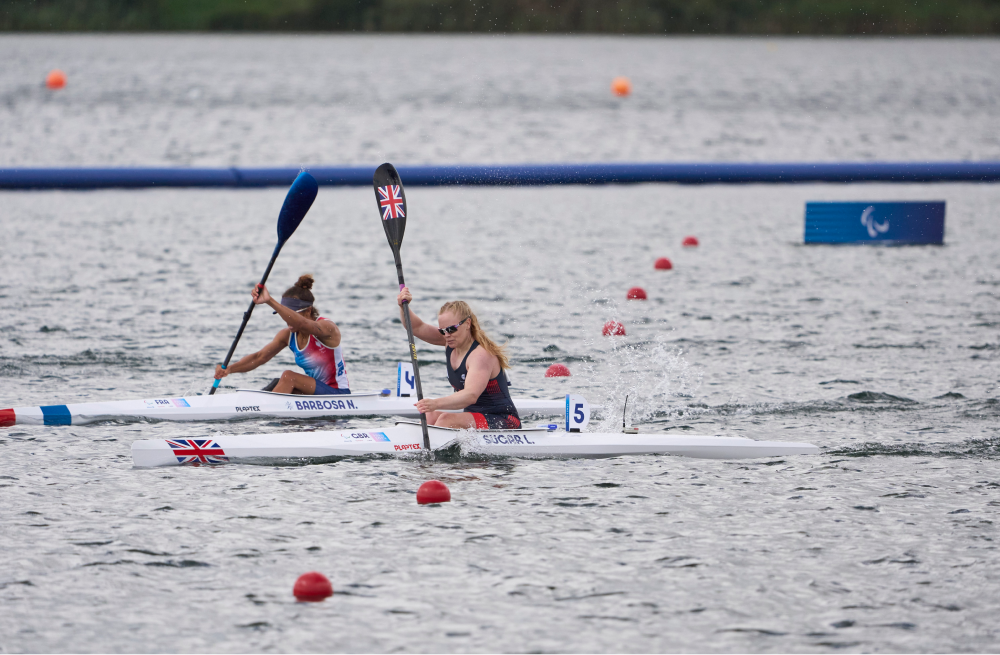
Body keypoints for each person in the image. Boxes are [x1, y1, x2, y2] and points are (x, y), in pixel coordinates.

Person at [396, 287, 519, 429]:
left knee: (446, 419)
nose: (447, 334)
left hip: (503, 421)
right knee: (430, 416)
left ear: (467, 324)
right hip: (474, 419)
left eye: (451, 329)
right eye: (442, 330)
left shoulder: (481, 355)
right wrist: (403, 306)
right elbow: (417, 327)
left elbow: (470, 395)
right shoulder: (450, 342)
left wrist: (435, 403)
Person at [214, 275, 350, 395]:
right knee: (276, 384)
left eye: (291, 315)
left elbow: (304, 324)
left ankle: (267, 414)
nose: (287, 320)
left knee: (289, 377)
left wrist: (269, 301)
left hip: (337, 394)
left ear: (308, 311)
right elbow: (259, 357)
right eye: (284, 315)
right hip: (315, 393)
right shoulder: (287, 335)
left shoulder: (327, 328)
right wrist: (229, 369)